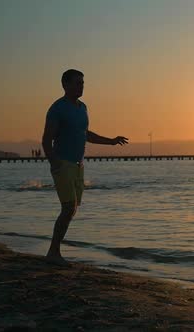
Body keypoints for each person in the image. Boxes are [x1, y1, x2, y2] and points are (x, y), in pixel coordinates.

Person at [42, 69, 129, 265]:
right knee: (67, 208)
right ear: (65, 85)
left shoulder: (83, 108)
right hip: (62, 163)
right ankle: (53, 253)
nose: (81, 86)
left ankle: (54, 251)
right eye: (77, 83)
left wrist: (112, 141)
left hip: (78, 164)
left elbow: (86, 134)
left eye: (82, 82)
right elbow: (47, 138)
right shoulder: (57, 108)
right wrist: (53, 162)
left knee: (72, 209)